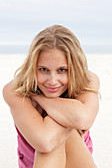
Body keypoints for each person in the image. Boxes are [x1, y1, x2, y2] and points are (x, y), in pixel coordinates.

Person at [3, 25, 100, 168]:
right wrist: (68, 115)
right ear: (32, 67)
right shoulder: (14, 90)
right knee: (54, 141)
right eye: (43, 69)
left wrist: (39, 99)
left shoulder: (87, 80)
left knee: (67, 134)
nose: (52, 81)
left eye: (62, 70)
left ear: (74, 69)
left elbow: (83, 119)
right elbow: (45, 142)